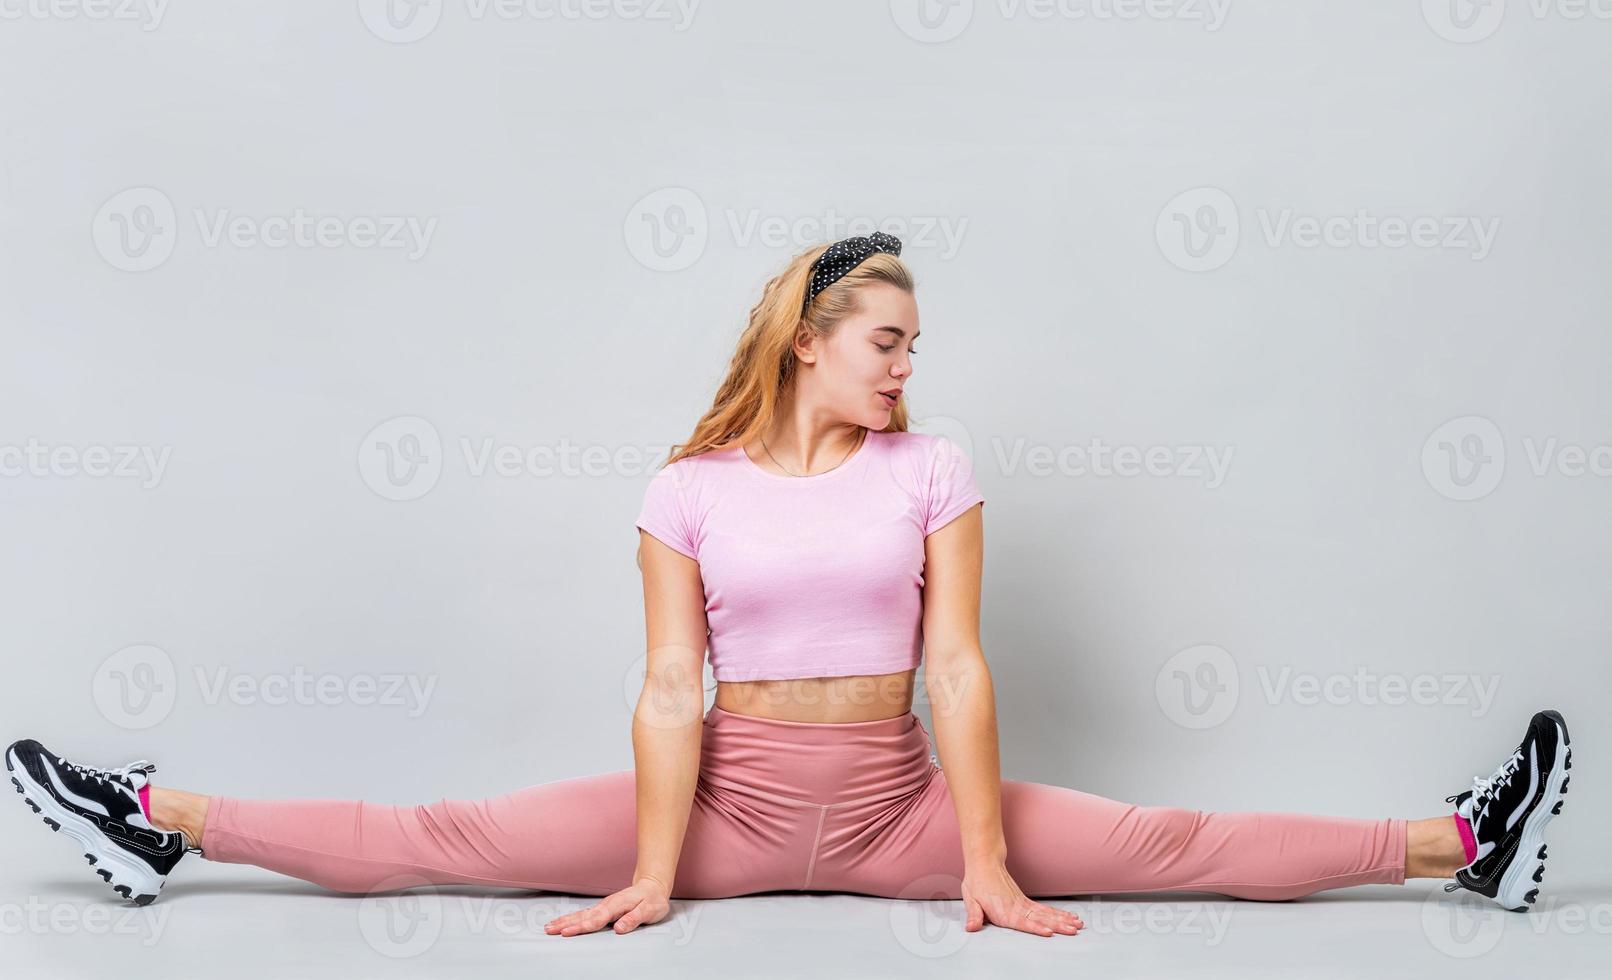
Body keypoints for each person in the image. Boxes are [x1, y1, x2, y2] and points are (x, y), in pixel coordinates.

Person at [5, 233, 1573, 937]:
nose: (908, 362)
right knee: (451, 841)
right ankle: (161, 822)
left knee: (1171, 842)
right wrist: (653, 865)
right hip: (725, 809)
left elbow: (954, 671)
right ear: (807, 337)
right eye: (886, 336)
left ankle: (1467, 847)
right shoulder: (684, 490)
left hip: (901, 806)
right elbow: (672, 683)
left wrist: (984, 861)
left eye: (915, 344)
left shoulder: (934, 469)